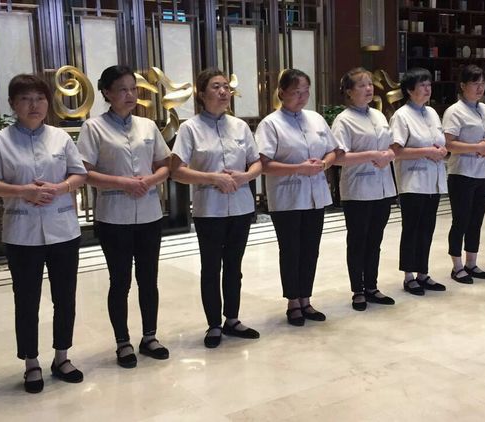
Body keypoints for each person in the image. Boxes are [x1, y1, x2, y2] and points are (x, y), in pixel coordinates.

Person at [0, 74, 87, 393]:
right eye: (25, 99)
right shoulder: (0, 141)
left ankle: (62, 357)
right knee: (26, 300)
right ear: (13, 104)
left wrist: (60, 187)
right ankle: (31, 362)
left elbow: (79, 174)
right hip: (22, 234)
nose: (34, 105)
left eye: (39, 98)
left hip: (63, 230)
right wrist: (23, 191)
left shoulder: (60, 138)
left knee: (65, 297)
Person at [76, 65, 171, 368]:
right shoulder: (94, 128)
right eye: (122, 90)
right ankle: (123, 342)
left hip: (149, 215)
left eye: (133, 89)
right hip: (113, 217)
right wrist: (122, 183)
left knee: (149, 279)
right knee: (120, 281)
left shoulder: (148, 126)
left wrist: (150, 180)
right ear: (106, 93)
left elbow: (165, 165)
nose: (130, 95)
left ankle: (150, 337)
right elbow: (84, 172)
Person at [170, 68, 262, 347]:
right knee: (211, 268)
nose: (223, 92)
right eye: (216, 87)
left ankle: (232, 319)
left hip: (241, 207)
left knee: (234, 266)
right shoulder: (190, 128)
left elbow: (256, 163)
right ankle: (213, 325)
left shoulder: (240, 127)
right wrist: (213, 178)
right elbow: (177, 171)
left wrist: (245, 176)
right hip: (209, 209)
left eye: (226, 87)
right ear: (201, 94)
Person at [255, 69, 340, 326]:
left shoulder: (316, 119)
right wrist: (298, 168)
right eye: (296, 92)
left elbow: (333, 150)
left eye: (306, 92)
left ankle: (306, 299)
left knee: (311, 249)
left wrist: (324, 164)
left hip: (315, 195)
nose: (302, 97)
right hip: (287, 198)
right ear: (281, 93)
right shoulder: (271, 124)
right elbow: (264, 164)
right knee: (291, 250)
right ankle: (293, 301)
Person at [331, 67, 397, 311]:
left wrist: (388, 154)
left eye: (370, 84)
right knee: (358, 240)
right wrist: (371, 155)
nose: (369, 89)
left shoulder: (378, 116)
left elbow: (391, 146)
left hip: (382, 188)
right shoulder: (343, 120)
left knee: (375, 240)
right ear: (349, 92)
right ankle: (357, 290)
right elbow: (339, 157)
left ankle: (372, 286)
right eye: (362, 85)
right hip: (358, 190)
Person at [389, 67, 448, 295]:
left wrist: (442, 150)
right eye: (422, 85)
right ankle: (409, 276)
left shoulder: (431, 113)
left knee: (427, 229)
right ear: (409, 90)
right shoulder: (401, 115)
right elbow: (396, 151)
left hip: (433, 180)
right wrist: (426, 152)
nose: (427, 89)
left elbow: (439, 142)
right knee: (412, 229)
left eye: (429, 84)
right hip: (412, 182)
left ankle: (423, 272)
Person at [442, 64, 485, 284]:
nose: (480, 88)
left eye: (482, 83)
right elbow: (449, 144)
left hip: (483, 173)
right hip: (462, 173)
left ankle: (471, 263)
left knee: (476, 221)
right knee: (461, 220)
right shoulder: (454, 111)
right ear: (463, 86)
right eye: (475, 83)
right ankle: (456, 266)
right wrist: (477, 147)